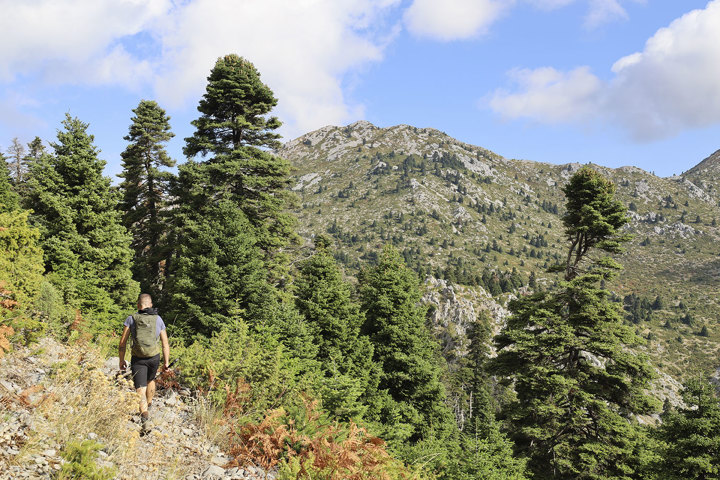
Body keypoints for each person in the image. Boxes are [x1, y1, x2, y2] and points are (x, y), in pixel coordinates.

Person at [118, 293, 170, 427]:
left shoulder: (131, 319)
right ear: (150, 305)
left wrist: (121, 360)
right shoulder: (158, 319)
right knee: (150, 380)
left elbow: (122, 343)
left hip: (138, 357)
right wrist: (166, 362)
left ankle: (144, 415)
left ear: (138, 305)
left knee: (140, 387)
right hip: (154, 357)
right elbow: (165, 343)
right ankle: (149, 403)